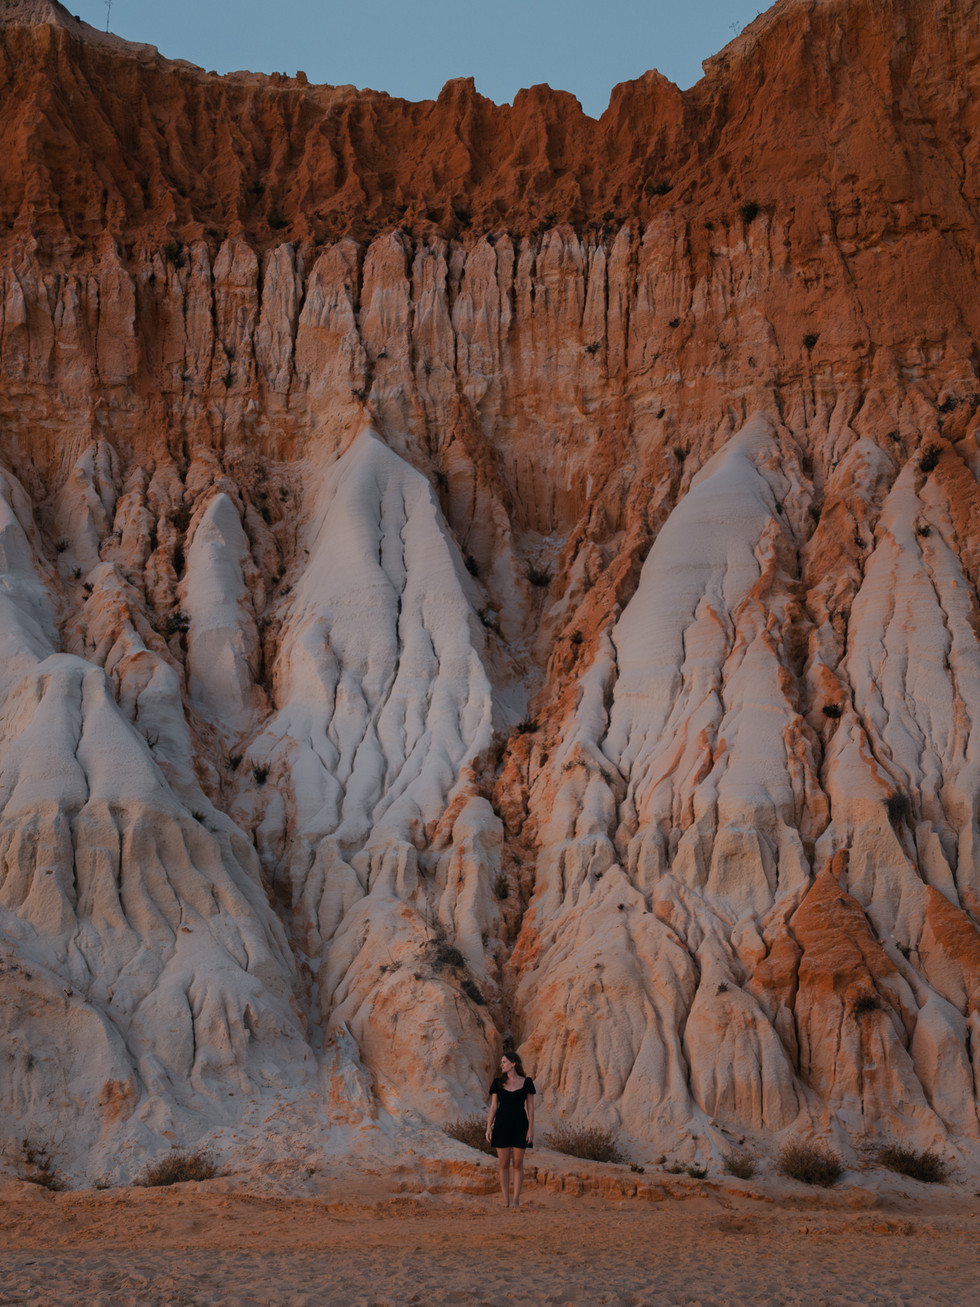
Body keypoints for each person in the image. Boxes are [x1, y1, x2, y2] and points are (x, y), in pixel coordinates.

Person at [485, 1050, 535, 1208]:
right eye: (501, 1062)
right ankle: (506, 1200)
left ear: (513, 1063)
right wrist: (488, 1127)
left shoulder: (527, 1082)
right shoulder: (497, 1083)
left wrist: (531, 1129)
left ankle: (516, 1201)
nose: (501, 1065)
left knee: (518, 1164)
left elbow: (531, 1108)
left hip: (520, 1125)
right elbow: (493, 1107)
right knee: (503, 1163)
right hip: (501, 1125)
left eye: (504, 1062)